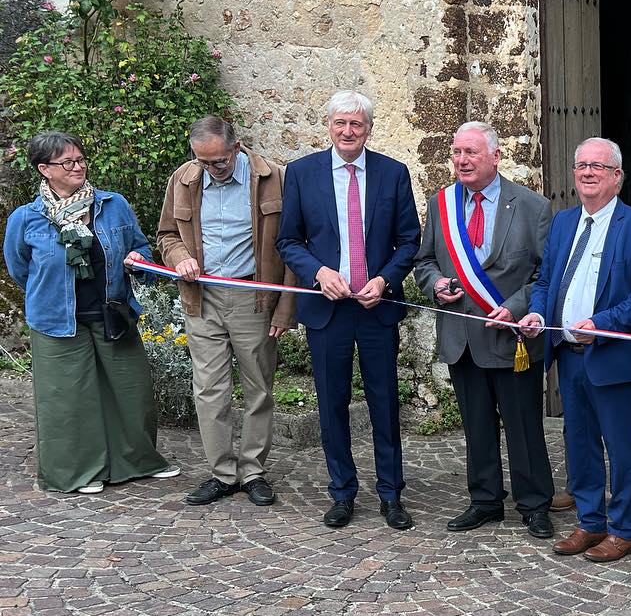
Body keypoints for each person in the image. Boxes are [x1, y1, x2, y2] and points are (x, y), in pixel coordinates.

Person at [276, 91, 421, 531]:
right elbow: (288, 241)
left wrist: (385, 280)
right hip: (328, 308)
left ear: (369, 129)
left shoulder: (393, 173)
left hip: (377, 307)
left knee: (384, 402)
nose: (348, 131)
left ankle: (391, 493)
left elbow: (409, 241)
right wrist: (319, 272)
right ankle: (342, 492)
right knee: (331, 403)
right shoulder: (302, 173)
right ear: (328, 126)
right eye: (340, 123)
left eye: (356, 124)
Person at [3, 132, 179, 493]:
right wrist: (48, 293)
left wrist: (139, 260)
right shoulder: (27, 218)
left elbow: (141, 249)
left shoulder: (113, 205)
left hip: (112, 313)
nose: (78, 167)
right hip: (56, 321)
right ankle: (79, 472)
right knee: (68, 400)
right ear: (44, 169)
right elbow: (20, 268)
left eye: (81, 159)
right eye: (67, 162)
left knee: (131, 393)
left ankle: (137, 461)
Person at [518, 138, 631, 562]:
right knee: (579, 443)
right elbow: (546, 281)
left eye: (598, 166)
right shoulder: (564, 222)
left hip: (613, 356)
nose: (587, 172)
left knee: (621, 447)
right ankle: (589, 521)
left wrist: (601, 324)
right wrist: (538, 313)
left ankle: (625, 529)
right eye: (581, 165)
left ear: (617, 176)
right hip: (567, 354)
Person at [414, 121, 560, 539]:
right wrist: (435, 284)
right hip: (462, 337)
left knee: (523, 426)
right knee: (476, 425)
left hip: (512, 338)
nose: (462, 160)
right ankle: (485, 500)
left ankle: (534, 504)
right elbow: (425, 261)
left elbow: (545, 274)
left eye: (471, 153)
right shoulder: (440, 204)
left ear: (495, 156)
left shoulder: (532, 206)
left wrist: (515, 307)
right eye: (457, 152)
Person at [155, 116, 296, 508]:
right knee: (209, 390)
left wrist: (285, 310)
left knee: (259, 388)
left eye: (219, 161)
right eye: (203, 161)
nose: (212, 168)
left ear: (236, 147)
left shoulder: (273, 178)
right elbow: (166, 235)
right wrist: (179, 257)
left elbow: (293, 245)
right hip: (202, 299)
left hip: (254, 297)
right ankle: (222, 473)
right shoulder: (183, 179)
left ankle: (252, 472)